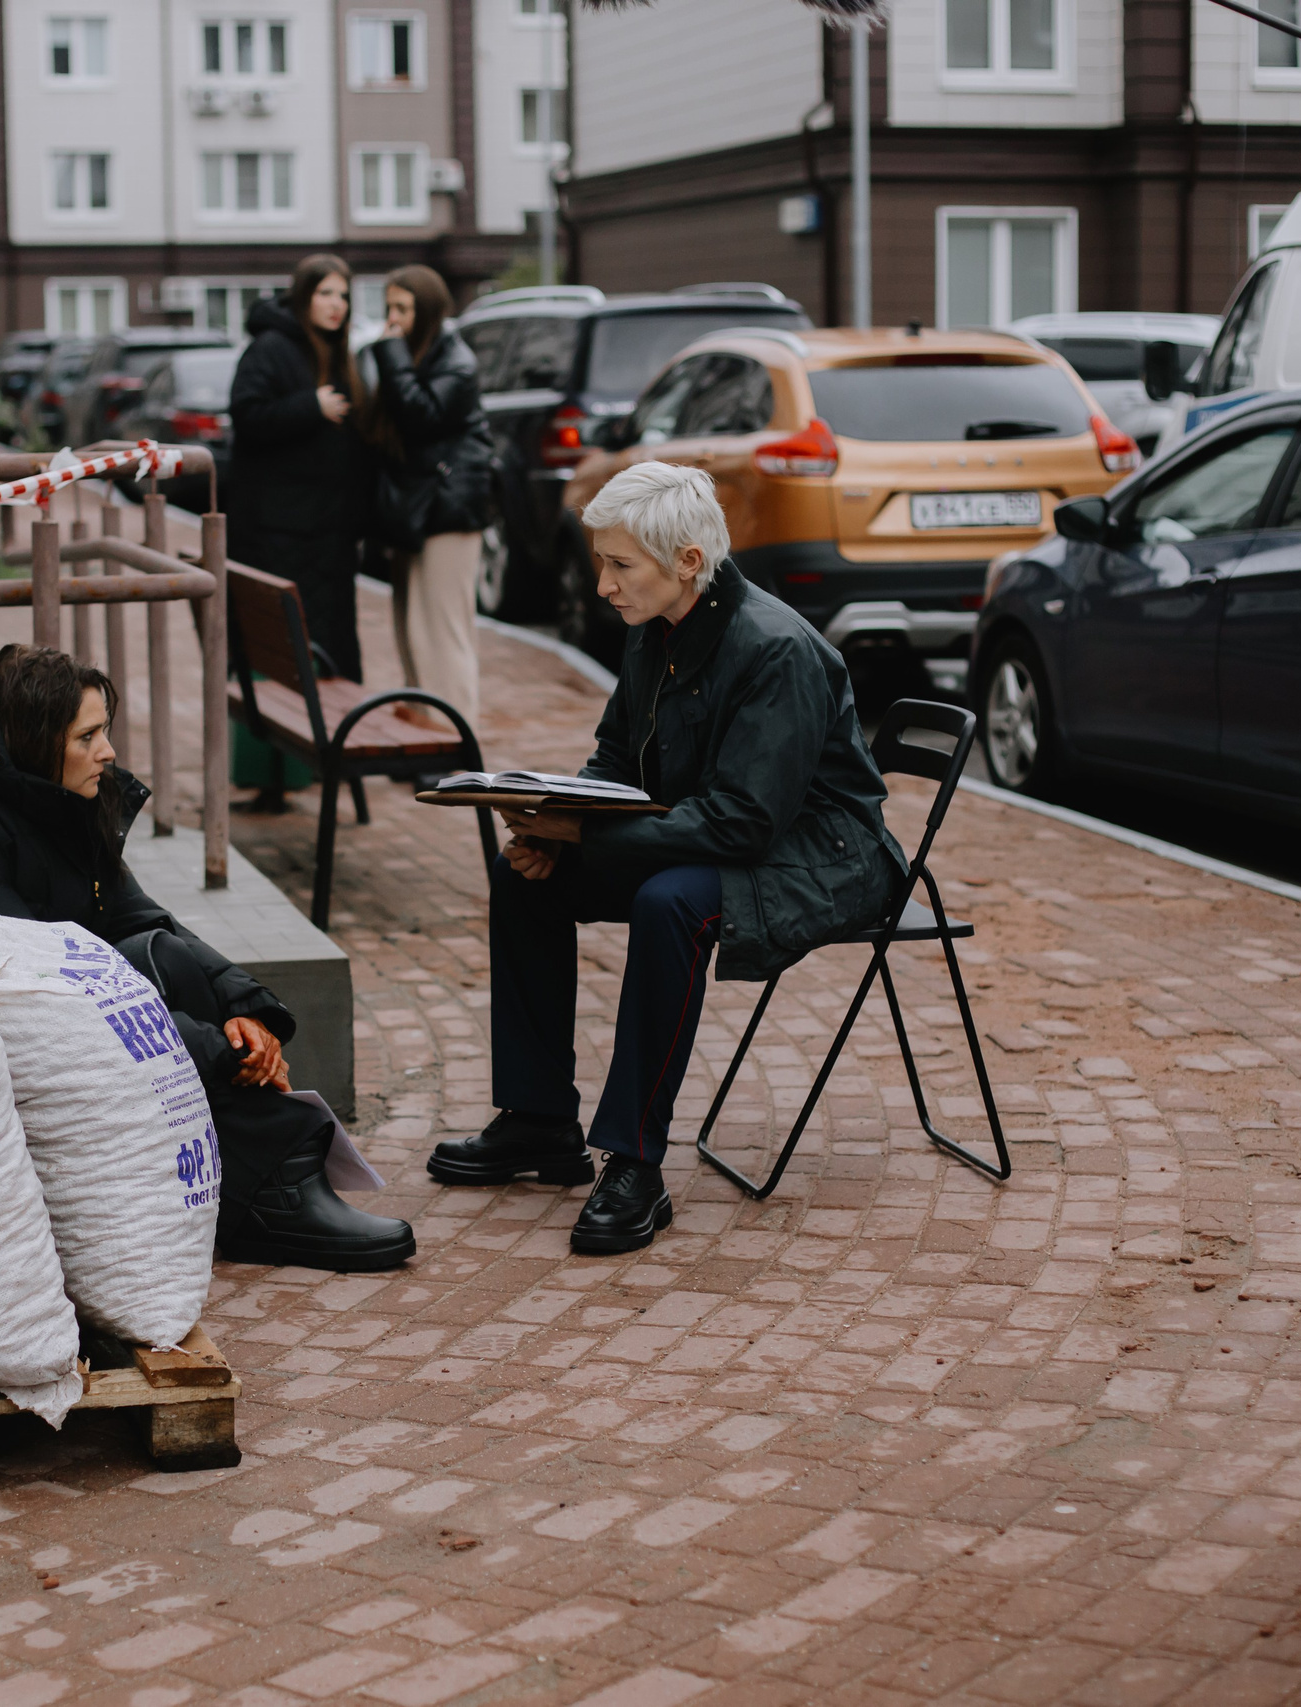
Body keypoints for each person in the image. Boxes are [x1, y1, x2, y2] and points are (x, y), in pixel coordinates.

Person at [427, 462, 905, 1255]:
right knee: (523, 877)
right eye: (602, 561)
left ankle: (635, 1164)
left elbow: (746, 823)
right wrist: (557, 826)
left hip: (827, 859)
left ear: (687, 561)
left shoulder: (776, 649)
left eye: (620, 564)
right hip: (723, 835)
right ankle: (541, 1119)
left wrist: (589, 838)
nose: (603, 583)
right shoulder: (658, 628)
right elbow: (617, 756)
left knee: (671, 903)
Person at [0, 645, 417, 1273]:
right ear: (30, 741)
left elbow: (137, 916)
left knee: (163, 957)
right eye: (88, 736)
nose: (108, 751)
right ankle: (271, 1194)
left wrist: (243, 1007)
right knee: (166, 1019)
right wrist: (218, 1051)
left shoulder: (49, 793)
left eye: (104, 730)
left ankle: (265, 1187)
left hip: (18, 996)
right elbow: (43, 989)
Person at [362, 265, 494, 745]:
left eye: (403, 309)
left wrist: (391, 354)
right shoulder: (418, 356)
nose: (393, 320)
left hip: (448, 510)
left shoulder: (455, 362)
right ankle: (425, 736)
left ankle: (457, 740)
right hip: (418, 509)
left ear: (430, 311)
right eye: (389, 309)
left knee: (442, 631)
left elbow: (421, 416)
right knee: (413, 630)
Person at [229, 255, 368, 685]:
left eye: (343, 295)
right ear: (303, 296)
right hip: (281, 532)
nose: (336, 304)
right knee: (287, 645)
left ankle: (327, 737)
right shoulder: (270, 348)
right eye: (325, 293)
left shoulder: (337, 350)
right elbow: (246, 415)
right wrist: (310, 406)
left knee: (327, 644)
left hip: (329, 533)